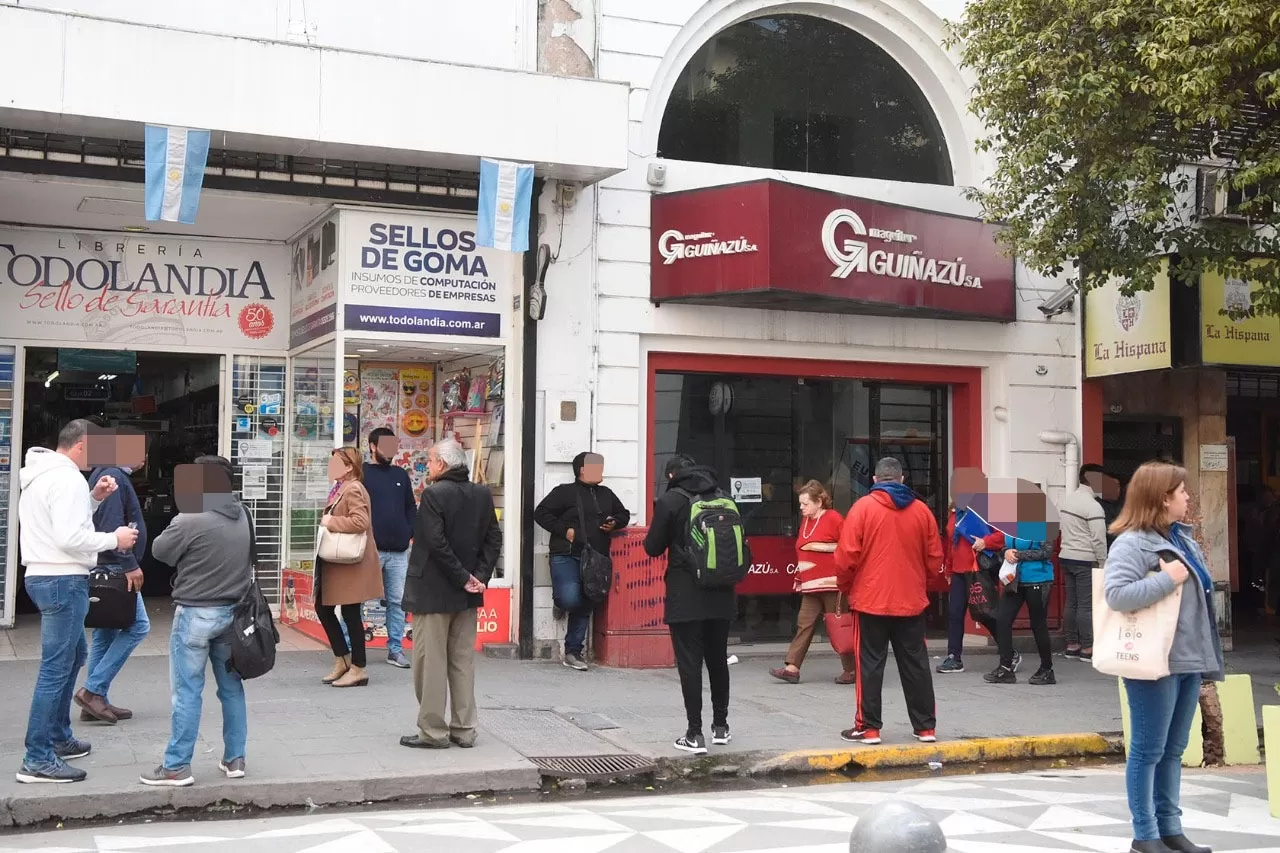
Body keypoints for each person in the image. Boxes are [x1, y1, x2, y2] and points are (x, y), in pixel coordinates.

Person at [1104, 461, 1223, 853]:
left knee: (1174, 749)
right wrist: (1165, 578)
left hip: (1187, 658)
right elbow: (1117, 595)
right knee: (1148, 750)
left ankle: (1171, 828)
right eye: (1182, 491)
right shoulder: (1131, 542)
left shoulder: (1181, 538)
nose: (1188, 497)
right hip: (1152, 660)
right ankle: (1145, 834)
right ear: (1161, 497)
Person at [16, 420, 138, 784]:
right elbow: (70, 536)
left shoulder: (43, 474)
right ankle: (38, 757)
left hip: (46, 575)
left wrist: (94, 497)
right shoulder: (66, 478)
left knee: (73, 658)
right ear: (82, 445)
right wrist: (114, 538)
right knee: (56, 668)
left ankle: (58, 738)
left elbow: (61, 520)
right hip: (62, 577)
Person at [141, 456, 254, 787]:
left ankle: (176, 766)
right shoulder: (244, 515)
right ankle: (235, 758)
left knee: (187, 691)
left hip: (195, 614)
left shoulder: (190, 519)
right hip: (233, 614)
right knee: (231, 688)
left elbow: (160, 551)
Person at [400, 439, 502, 749]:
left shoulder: (434, 494)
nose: (427, 467)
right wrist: (478, 577)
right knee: (461, 662)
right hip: (466, 594)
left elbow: (434, 542)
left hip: (434, 593)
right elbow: (493, 540)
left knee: (430, 663)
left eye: (430, 461)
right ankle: (464, 729)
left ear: (442, 464)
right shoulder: (482, 494)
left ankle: (433, 731)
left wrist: (462, 578)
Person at [834, 457, 943, 746]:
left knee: (869, 664)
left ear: (874, 480)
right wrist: (922, 586)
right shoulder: (922, 511)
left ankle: (869, 728)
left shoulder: (862, 509)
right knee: (916, 664)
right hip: (911, 602)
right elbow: (935, 560)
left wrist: (846, 588)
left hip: (870, 601)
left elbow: (846, 558)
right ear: (902, 479)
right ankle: (925, 728)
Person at [643, 455, 735, 756]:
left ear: (672, 475)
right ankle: (721, 727)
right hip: (721, 591)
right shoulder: (722, 496)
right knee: (718, 659)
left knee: (690, 664)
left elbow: (652, 546)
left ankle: (694, 734)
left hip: (686, 592)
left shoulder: (671, 500)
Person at [76, 428, 150, 725]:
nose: (144, 458)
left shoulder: (102, 473)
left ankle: (96, 700)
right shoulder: (114, 477)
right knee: (138, 627)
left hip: (106, 565)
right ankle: (92, 690)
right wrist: (129, 563)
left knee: (106, 633)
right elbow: (110, 525)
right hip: (116, 567)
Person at [534, 451, 632, 671]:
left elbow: (623, 514)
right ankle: (559, 602)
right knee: (570, 599)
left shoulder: (606, 493)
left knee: (587, 601)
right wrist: (564, 530)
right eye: (596, 466)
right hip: (566, 553)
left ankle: (573, 651)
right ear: (582, 470)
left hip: (596, 557)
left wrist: (614, 522)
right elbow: (540, 513)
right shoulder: (564, 492)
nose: (601, 471)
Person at [769, 480, 855, 684]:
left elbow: (847, 546)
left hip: (833, 584)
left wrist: (819, 547)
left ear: (819, 501)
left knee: (838, 626)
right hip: (810, 584)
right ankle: (792, 668)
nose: (801, 508)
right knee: (804, 623)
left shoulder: (833, 518)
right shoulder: (806, 521)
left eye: (805, 503)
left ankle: (850, 670)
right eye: (800, 503)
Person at [315, 447, 383, 689]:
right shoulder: (341, 488)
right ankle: (343, 659)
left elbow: (360, 521)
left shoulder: (353, 488)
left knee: (350, 613)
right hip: (341, 564)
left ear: (349, 467)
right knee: (325, 607)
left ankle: (358, 667)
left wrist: (331, 521)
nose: (331, 467)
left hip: (351, 563)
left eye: (336, 463)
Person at [363, 428, 418, 669]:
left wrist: (410, 532)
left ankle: (395, 649)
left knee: (397, 601)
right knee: (357, 600)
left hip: (398, 552)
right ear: (372, 446)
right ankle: (350, 649)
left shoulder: (401, 475)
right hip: (368, 551)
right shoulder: (362, 473)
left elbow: (410, 508)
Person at [935, 501, 1007, 674]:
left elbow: (1004, 536)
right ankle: (954, 657)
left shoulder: (988, 510)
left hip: (979, 569)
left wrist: (986, 542)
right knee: (954, 613)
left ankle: (1008, 650)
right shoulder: (953, 513)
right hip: (959, 571)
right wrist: (949, 568)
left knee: (986, 614)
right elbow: (952, 543)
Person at [983, 531, 1057, 686]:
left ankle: (1046, 669)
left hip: (1038, 578)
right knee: (1002, 618)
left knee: (1038, 624)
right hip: (1015, 579)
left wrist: (1019, 555)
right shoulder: (1012, 524)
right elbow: (1004, 546)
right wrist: (1006, 551)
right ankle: (1005, 667)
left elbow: (1046, 552)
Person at [1058, 463, 1110, 662]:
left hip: (1066, 556)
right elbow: (1098, 539)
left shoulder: (1068, 500)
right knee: (1086, 605)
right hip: (1085, 559)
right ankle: (1088, 647)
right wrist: (1103, 562)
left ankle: (1072, 645)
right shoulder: (1093, 506)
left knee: (1071, 602)